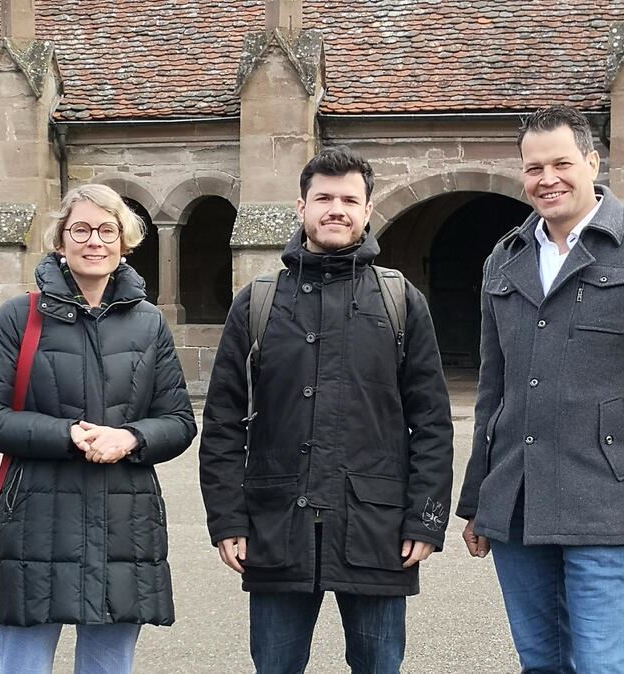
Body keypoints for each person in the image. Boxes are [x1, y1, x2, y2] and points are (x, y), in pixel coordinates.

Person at [457, 105, 624, 672]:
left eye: (561, 163)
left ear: (592, 162)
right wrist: (479, 500)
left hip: (607, 502)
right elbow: (492, 393)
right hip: (518, 503)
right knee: (540, 663)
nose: (547, 179)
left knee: (600, 664)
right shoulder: (504, 259)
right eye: (533, 167)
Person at [199, 147, 454, 673]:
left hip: (376, 528)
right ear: (301, 207)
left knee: (378, 666)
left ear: (366, 210)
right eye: (324, 198)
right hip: (277, 526)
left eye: (348, 199)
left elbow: (430, 422)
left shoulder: (401, 301)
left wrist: (426, 521)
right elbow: (223, 422)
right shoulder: (257, 302)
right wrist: (227, 520)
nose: (335, 208)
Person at [0, 183, 196, 674]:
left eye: (107, 230)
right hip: (34, 519)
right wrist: (66, 434)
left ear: (124, 242)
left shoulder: (149, 323)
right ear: (60, 241)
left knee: (108, 666)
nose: (95, 241)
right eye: (81, 229)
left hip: (124, 519)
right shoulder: (19, 316)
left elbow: (177, 420)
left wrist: (131, 437)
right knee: (22, 664)